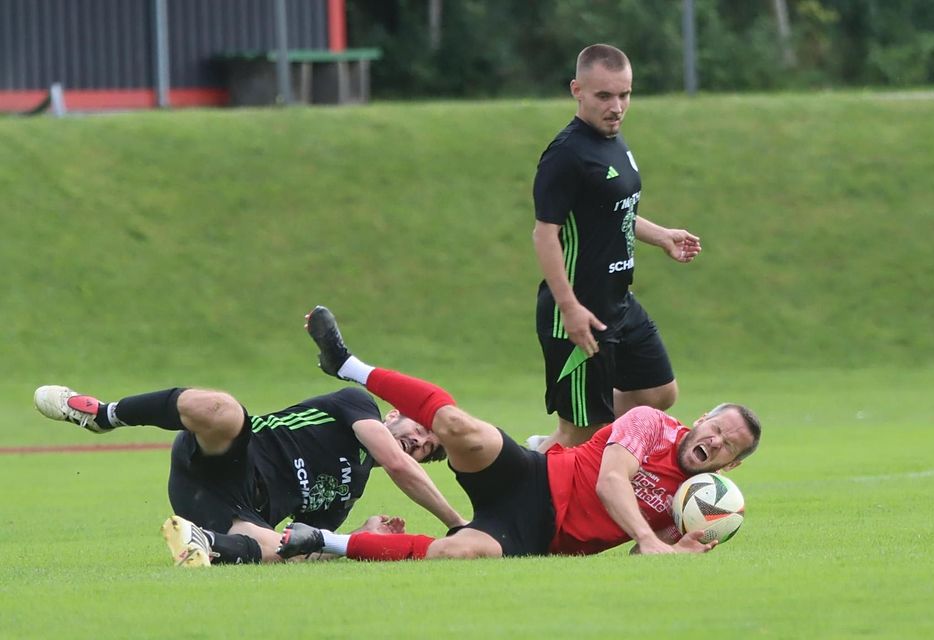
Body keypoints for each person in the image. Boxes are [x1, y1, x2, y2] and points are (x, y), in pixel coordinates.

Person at [276, 306, 760, 561]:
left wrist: (673, 550)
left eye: (727, 446)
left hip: (536, 535)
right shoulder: (650, 422)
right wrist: (650, 539)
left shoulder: (695, 500)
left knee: (460, 553)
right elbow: (611, 481)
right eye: (716, 428)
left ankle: (320, 540)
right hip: (531, 476)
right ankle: (348, 364)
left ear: (730, 464)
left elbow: (641, 557)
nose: (715, 441)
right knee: (459, 427)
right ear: (700, 420)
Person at [33, 348, 467, 567]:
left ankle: (201, 543)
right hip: (226, 457)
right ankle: (105, 415)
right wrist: (459, 526)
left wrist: (361, 533)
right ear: (395, 413)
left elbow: (306, 548)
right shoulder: (358, 405)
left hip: (224, 511)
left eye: (430, 448)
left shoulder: (349, 492)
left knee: (278, 550)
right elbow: (395, 463)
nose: (421, 442)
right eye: (422, 429)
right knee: (223, 408)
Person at [530, 43, 703, 452]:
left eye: (624, 94)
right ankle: (538, 467)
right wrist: (569, 308)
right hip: (578, 311)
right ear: (577, 90)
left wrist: (660, 235)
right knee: (581, 433)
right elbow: (544, 234)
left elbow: (612, 213)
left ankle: (550, 449)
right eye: (604, 95)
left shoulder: (615, 143)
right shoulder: (565, 155)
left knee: (658, 392)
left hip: (619, 303)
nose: (617, 106)